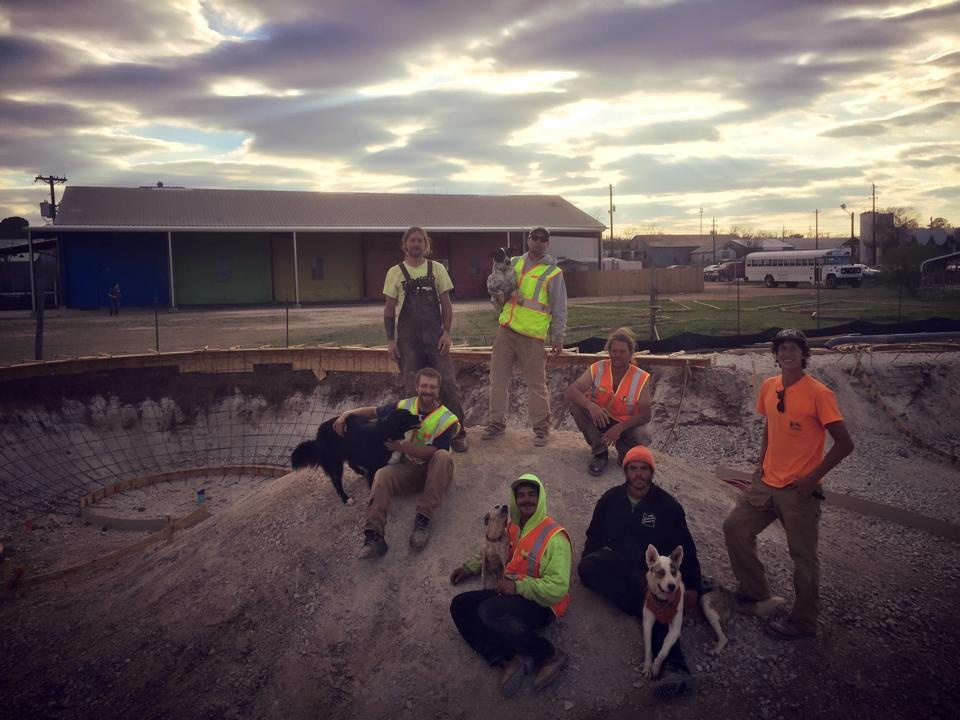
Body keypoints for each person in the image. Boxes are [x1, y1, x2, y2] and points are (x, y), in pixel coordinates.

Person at [723, 328, 854, 640]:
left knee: (803, 557)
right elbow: (771, 423)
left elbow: (844, 444)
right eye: (782, 349)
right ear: (776, 354)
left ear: (803, 354)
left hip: (798, 490)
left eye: (794, 348)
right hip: (766, 482)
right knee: (735, 528)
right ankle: (755, 593)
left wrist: (812, 479)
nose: (787, 354)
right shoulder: (769, 386)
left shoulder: (819, 394)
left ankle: (804, 621)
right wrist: (761, 463)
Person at [577, 445, 702, 699]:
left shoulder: (668, 506)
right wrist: (589, 557)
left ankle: (677, 668)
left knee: (644, 592)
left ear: (651, 472)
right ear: (625, 472)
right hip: (615, 559)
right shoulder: (610, 499)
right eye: (633, 469)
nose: (638, 474)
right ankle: (643, 607)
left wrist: (694, 587)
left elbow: (687, 548)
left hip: (648, 571)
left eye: (643, 469)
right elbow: (594, 535)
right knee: (587, 568)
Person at [449, 474, 571, 697]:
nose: (526, 500)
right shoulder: (514, 526)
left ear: (540, 497)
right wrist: (469, 567)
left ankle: (549, 654)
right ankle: (506, 659)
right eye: (521, 495)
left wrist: (518, 588)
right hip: (513, 591)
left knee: (489, 611)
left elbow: (558, 588)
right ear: (515, 499)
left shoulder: (555, 538)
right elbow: (496, 547)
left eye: (531, 494)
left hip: (543, 604)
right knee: (460, 604)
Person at [333, 367, 460, 559]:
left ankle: (423, 520)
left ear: (438, 390)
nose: (428, 390)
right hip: (411, 470)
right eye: (424, 385)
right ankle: (374, 535)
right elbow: (374, 411)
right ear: (417, 387)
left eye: (432, 387)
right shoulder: (405, 406)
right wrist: (346, 414)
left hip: (437, 470)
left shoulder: (446, 418)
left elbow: (434, 452)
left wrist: (402, 448)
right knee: (382, 474)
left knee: (442, 455)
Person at [383, 226, 468, 453]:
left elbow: (447, 305)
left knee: (448, 385)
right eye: (412, 240)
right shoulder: (395, 272)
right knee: (413, 389)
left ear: (426, 245)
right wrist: (391, 341)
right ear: (405, 244)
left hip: (435, 339)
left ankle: (458, 432)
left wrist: (447, 333)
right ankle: (416, 436)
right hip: (408, 343)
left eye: (420, 241)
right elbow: (389, 310)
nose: (416, 244)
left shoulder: (437, 269)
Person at [482, 227, 567, 447]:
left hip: (532, 337)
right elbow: (498, 283)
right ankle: (496, 424)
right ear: (528, 240)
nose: (538, 241)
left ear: (547, 243)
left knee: (536, 385)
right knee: (498, 380)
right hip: (506, 330)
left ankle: (541, 429)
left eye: (543, 239)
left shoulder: (553, 273)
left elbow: (560, 308)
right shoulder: (514, 262)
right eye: (534, 237)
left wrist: (557, 337)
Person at [564, 326, 652, 476]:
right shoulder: (598, 368)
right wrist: (591, 406)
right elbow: (572, 391)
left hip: (625, 426)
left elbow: (646, 415)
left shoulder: (640, 377)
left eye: (623, 351)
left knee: (642, 435)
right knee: (577, 407)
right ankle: (600, 452)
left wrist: (620, 428)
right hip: (601, 419)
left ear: (631, 353)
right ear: (609, 352)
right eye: (614, 351)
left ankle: (624, 451)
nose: (617, 355)